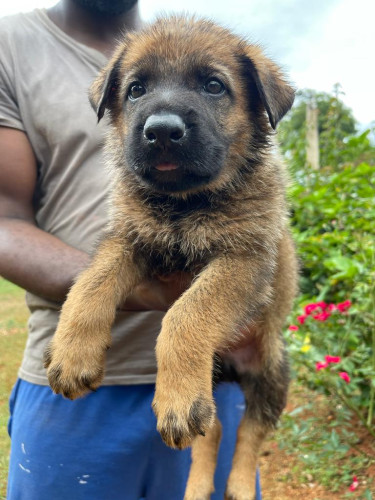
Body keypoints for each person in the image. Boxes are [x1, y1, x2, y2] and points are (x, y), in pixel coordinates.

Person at [0, 1, 262, 498]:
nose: (162, 120)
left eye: (211, 86)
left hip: (214, 378)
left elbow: (252, 257)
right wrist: (104, 299)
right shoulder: (9, 46)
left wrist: (195, 326)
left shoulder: (201, 43)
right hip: (76, 386)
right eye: (137, 90)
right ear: (114, 109)